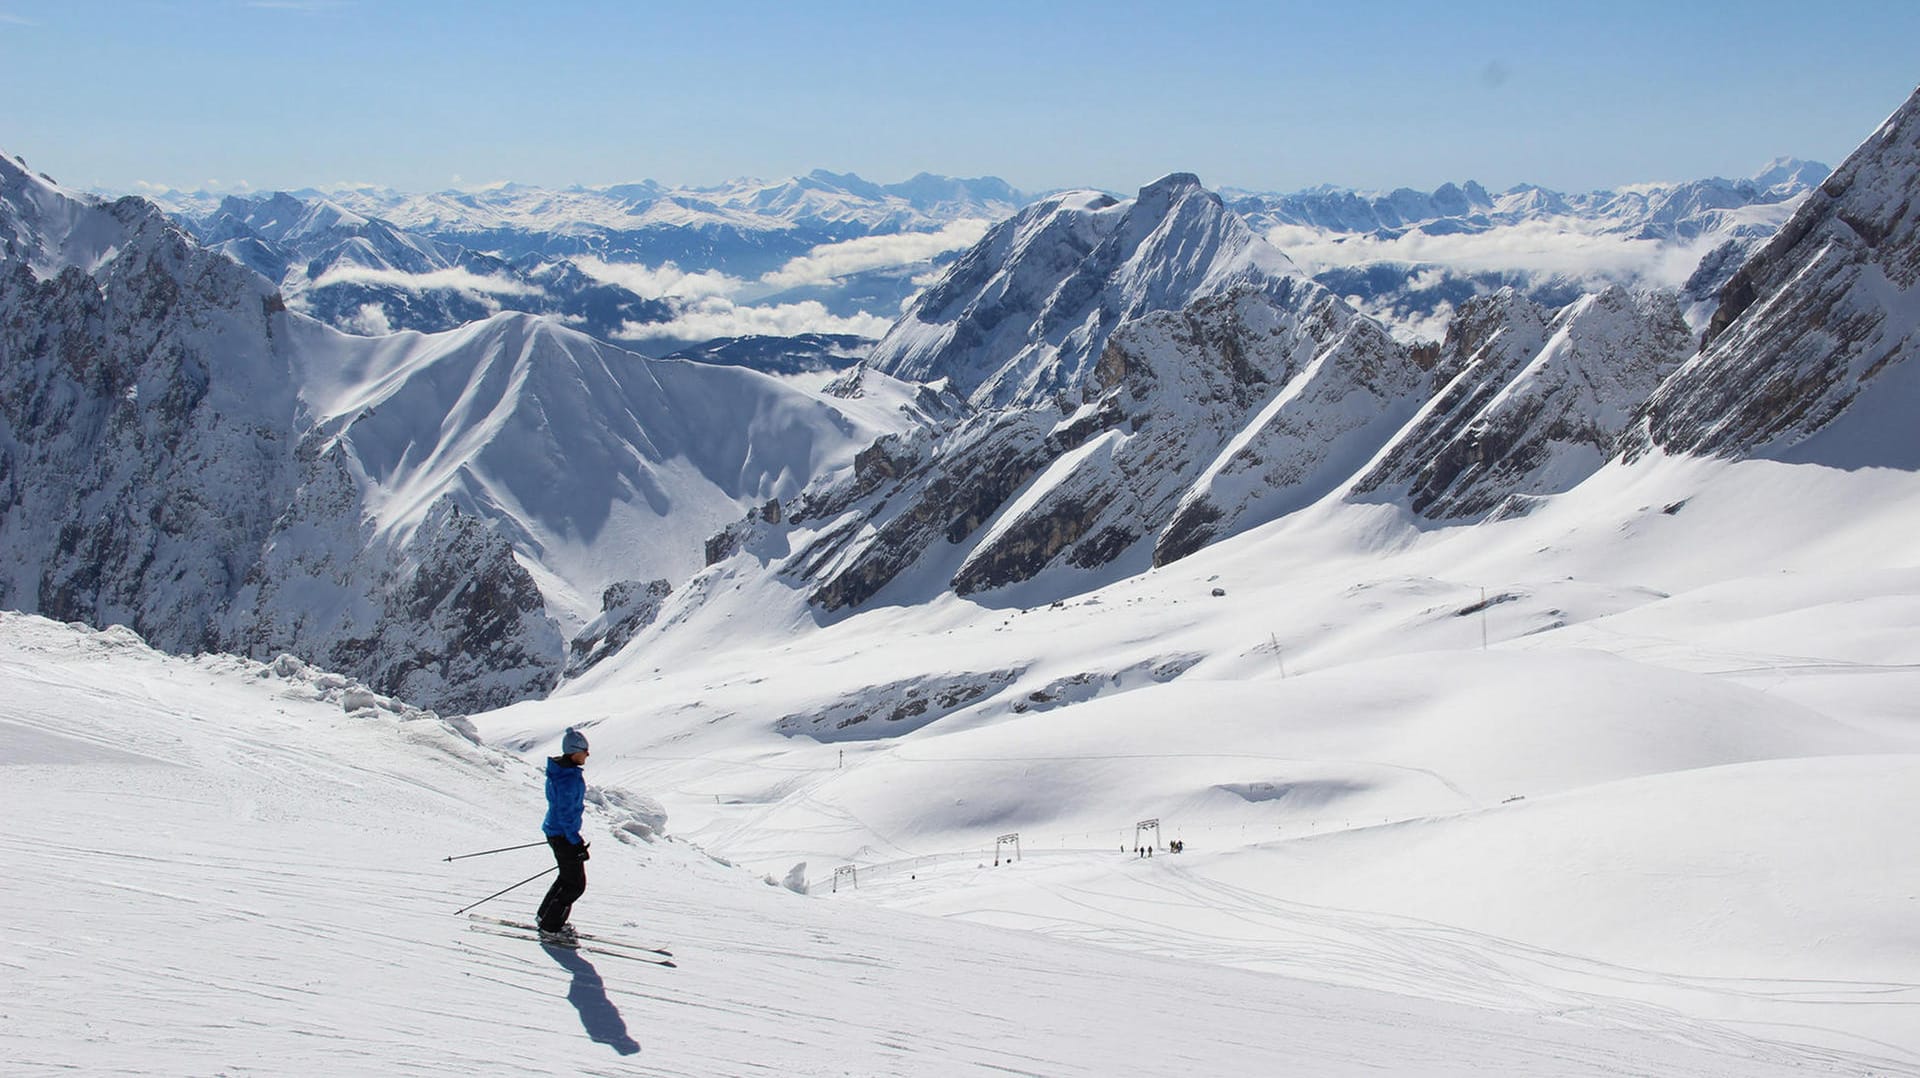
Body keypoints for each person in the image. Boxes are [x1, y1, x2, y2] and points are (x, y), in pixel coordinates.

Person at [536, 727, 592, 944]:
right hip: (563, 834)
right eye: (585, 751)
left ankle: (546, 917)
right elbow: (566, 813)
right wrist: (575, 842)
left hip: (556, 831)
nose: (587, 754)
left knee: (566, 878)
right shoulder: (568, 779)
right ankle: (551, 927)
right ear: (574, 752)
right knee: (575, 885)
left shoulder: (562, 772)